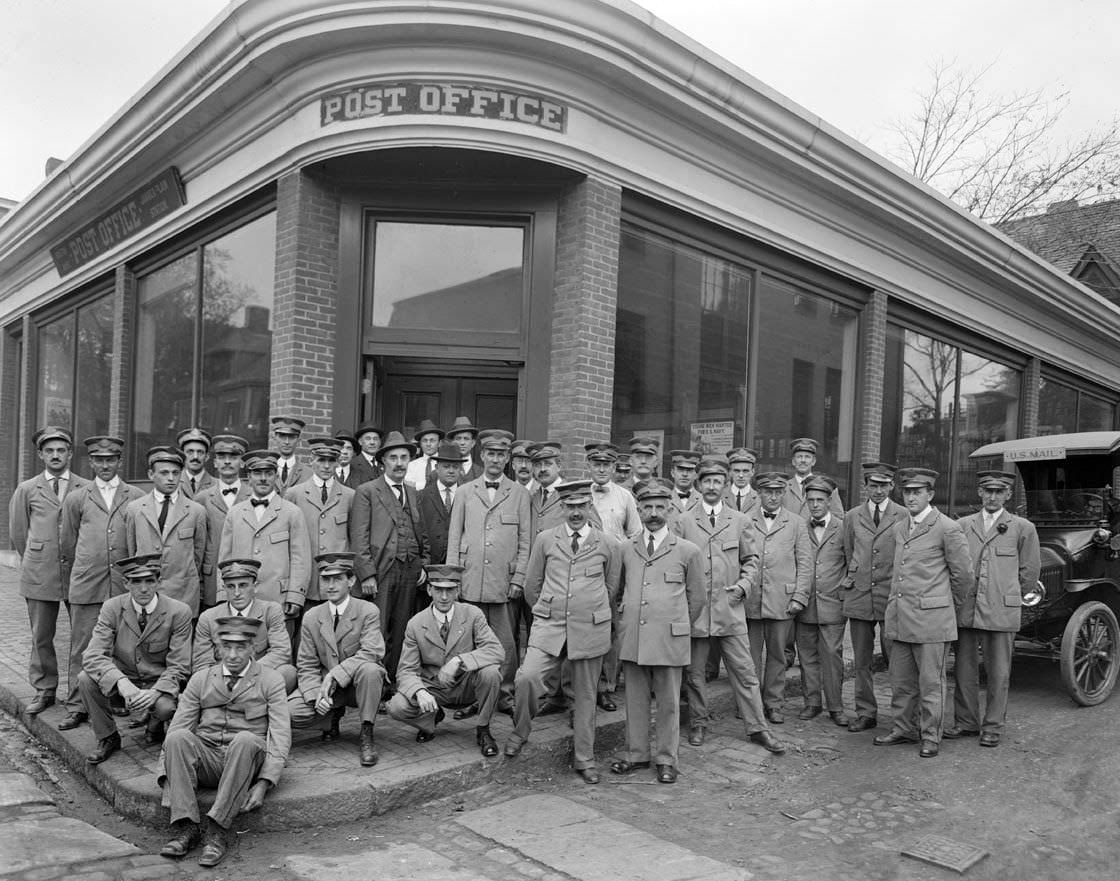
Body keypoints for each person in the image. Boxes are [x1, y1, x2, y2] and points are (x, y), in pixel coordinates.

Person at [505, 480, 623, 782]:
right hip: (550, 625)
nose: (575, 512)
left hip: (589, 629)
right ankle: (520, 731)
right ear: (562, 508)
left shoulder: (607, 544)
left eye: (581, 506)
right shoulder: (546, 539)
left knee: (585, 696)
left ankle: (585, 759)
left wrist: (588, 610)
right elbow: (532, 585)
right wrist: (551, 609)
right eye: (570, 507)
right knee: (528, 678)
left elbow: (611, 587)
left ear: (589, 507)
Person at [158, 615, 291, 867]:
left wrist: (264, 782)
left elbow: (281, 735)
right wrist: (167, 777)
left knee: (245, 739)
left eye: (240, 647)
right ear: (217, 648)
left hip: (245, 761)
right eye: (226, 647)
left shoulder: (271, 680)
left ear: (253, 648)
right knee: (177, 737)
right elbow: (179, 725)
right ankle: (187, 828)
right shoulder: (201, 678)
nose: (232, 655)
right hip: (208, 758)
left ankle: (218, 831)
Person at [672, 457, 785, 754]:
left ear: (725, 486)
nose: (712, 487)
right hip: (696, 613)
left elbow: (752, 561)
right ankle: (698, 722)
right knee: (695, 674)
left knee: (746, 672)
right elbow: (676, 566)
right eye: (707, 481)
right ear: (699, 485)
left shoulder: (740, 521)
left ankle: (758, 728)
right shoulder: (683, 522)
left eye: (717, 482)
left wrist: (745, 585)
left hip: (730, 610)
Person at [873, 468, 973, 759]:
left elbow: (964, 575)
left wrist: (944, 605)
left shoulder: (947, 527)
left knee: (931, 683)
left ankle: (931, 735)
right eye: (907, 492)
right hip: (901, 617)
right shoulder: (901, 526)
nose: (911, 497)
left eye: (918, 492)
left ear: (930, 494)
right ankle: (903, 728)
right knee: (901, 681)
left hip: (932, 620)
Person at [611, 479, 704, 785]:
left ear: (670, 509)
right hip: (634, 638)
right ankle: (636, 754)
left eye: (659, 507)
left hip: (669, 638)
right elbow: (617, 591)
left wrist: (676, 625)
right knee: (635, 700)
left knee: (668, 703)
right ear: (638, 509)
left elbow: (697, 598)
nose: (653, 513)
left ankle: (667, 759)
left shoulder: (688, 551)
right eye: (647, 507)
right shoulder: (626, 548)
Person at [947, 470, 1040, 747]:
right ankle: (966, 721)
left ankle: (993, 726)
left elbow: (1030, 573)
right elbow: (955, 565)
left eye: (999, 492)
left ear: (1008, 495)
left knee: (999, 672)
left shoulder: (1023, 528)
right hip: (967, 609)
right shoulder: (963, 525)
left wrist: (1008, 595)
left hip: (1001, 610)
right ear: (979, 493)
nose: (992, 497)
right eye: (988, 491)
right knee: (964, 669)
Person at [58, 436, 146, 730]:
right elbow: (68, 544)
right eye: (99, 459)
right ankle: (76, 704)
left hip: (122, 585)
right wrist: (83, 572)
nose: (105, 465)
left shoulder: (134, 496)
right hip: (87, 584)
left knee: (123, 645)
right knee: (82, 646)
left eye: (111, 459)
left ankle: (116, 699)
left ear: (120, 461)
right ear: (91, 462)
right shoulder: (78, 497)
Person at [77, 554, 193, 763]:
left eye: (149, 581)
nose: (144, 588)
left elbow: (180, 664)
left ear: (159, 582)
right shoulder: (112, 607)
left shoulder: (179, 611)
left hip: (158, 683)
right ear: (126, 584)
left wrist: (156, 691)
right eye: (136, 582)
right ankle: (108, 737)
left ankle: (156, 722)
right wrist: (121, 682)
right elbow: (92, 654)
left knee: (166, 707)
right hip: (123, 682)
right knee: (85, 679)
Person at [446, 430, 530, 713]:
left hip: (504, 582)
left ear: (508, 459)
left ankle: (504, 695)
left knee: (505, 641)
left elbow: (526, 541)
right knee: (467, 639)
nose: (495, 459)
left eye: (501, 454)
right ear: (482, 456)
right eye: (490, 453)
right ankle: (471, 694)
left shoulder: (519, 494)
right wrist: (453, 577)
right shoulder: (465, 491)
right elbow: (454, 538)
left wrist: (519, 578)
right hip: (470, 578)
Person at [10, 426, 91, 716]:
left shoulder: (86, 487)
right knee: (41, 634)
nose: (55, 456)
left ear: (70, 453)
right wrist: (37, 556)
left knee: (83, 636)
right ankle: (45, 689)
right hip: (39, 572)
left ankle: (80, 696)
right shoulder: (27, 488)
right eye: (50, 451)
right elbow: (19, 533)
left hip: (79, 573)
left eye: (61, 450)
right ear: (41, 454)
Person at [388, 564, 505, 755]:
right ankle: (430, 719)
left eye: (449, 590)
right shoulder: (416, 624)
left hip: (466, 684)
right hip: (435, 688)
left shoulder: (472, 614)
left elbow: (496, 650)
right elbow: (406, 670)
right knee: (397, 706)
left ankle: (483, 729)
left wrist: (459, 660)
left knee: (491, 672)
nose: (444, 597)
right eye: (438, 590)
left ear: (457, 590)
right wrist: (419, 691)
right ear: (429, 590)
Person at [290, 552, 386, 767]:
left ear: (351, 581)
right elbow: (306, 664)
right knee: (292, 714)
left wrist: (336, 674)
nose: (330, 586)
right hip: (327, 688)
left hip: (357, 685)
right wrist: (316, 697)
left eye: (337, 579)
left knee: (371, 670)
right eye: (325, 579)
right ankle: (330, 717)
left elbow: (372, 651)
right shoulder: (312, 616)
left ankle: (367, 731)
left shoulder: (367, 610)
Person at [349, 431, 431, 681]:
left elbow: (421, 533)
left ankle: (396, 680)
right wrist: (367, 574)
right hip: (381, 571)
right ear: (383, 461)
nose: (399, 463)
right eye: (393, 457)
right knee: (378, 629)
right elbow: (359, 536)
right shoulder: (368, 491)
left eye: (404, 457)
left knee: (403, 628)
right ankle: (376, 685)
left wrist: (424, 566)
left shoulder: (412, 491)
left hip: (409, 571)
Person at [218, 449, 312, 649]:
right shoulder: (235, 513)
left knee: (280, 654)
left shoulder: (291, 512)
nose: (263, 478)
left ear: (276, 476)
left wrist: (295, 595)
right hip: (241, 599)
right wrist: (221, 595)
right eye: (257, 473)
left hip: (279, 599)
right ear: (248, 477)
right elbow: (224, 559)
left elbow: (300, 558)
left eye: (268, 473)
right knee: (242, 650)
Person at [840, 462, 907, 732]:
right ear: (865, 486)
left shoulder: (903, 514)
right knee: (862, 661)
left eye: (883, 485)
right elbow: (848, 551)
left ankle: (899, 717)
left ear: (892, 486)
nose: (878, 491)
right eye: (873, 485)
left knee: (897, 659)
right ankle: (865, 712)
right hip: (859, 594)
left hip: (891, 594)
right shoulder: (852, 516)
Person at [744, 472, 811, 724]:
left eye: (778, 492)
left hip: (782, 602)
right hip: (751, 600)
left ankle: (773, 704)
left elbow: (805, 563)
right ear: (759, 493)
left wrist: (799, 597)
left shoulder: (796, 523)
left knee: (778, 656)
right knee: (748, 657)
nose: (773, 496)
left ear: (784, 493)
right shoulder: (745, 519)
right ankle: (749, 704)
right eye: (767, 491)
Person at [584, 441, 640, 710]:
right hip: (586, 570)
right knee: (585, 626)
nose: (602, 469)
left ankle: (605, 686)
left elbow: (636, 534)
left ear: (615, 467)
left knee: (611, 629)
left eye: (607, 464)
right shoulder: (580, 493)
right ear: (589, 465)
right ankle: (581, 686)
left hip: (615, 571)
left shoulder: (625, 496)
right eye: (597, 464)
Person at [125, 446, 207, 617]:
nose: (171, 478)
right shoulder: (135, 509)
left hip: (183, 594)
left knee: (181, 641)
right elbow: (132, 550)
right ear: (150, 475)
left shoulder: (195, 511)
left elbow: (198, 554)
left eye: (175, 473)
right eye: (164, 473)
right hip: (146, 592)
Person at [192, 558, 297, 693]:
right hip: (223, 684)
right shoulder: (209, 617)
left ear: (256, 586)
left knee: (287, 672)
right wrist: (226, 679)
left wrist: (246, 675)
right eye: (231, 586)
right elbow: (202, 663)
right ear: (224, 588)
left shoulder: (271, 611)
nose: (236, 593)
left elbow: (281, 651)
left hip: (259, 680)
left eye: (243, 585)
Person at [795, 475, 849, 725]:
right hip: (804, 604)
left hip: (832, 605)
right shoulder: (798, 527)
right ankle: (812, 702)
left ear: (829, 501)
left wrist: (843, 591)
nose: (815, 504)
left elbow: (852, 562)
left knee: (832, 656)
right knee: (806, 656)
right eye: (811, 500)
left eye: (820, 500)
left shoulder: (843, 526)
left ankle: (836, 707)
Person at [284, 436, 355, 611]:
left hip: (337, 581)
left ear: (337, 463)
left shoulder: (349, 496)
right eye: (321, 460)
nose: (326, 466)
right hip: (306, 582)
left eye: (331, 460)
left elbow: (353, 539)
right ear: (311, 460)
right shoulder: (294, 494)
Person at [194, 435, 251, 610]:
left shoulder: (253, 496)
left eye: (233, 457)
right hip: (213, 580)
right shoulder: (202, 498)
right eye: (222, 457)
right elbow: (198, 545)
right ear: (215, 462)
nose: (227, 462)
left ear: (242, 463)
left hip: (246, 576)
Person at [417, 441, 465, 567]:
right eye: (446, 466)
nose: (451, 471)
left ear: (460, 469)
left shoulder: (468, 496)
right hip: (429, 566)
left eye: (455, 467)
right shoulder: (421, 497)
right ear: (437, 468)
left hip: (458, 566)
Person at [782, 438, 843, 518]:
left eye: (807, 457)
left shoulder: (828, 487)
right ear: (793, 461)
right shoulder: (783, 488)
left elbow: (838, 517)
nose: (803, 460)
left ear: (813, 461)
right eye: (799, 457)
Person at [271, 416, 309, 492]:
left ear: (299, 439)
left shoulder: (308, 474)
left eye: (292, 437)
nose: (287, 442)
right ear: (274, 437)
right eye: (282, 436)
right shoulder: (264, 471)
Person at [404, 418, 444, 490]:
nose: (428, 444)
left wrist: (416, 485)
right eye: (425, 441)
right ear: (420, 444)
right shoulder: (411, 465)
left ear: (439, 443)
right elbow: (408, 487)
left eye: (432, 440)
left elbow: (443, 486)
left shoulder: (445, 463)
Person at [176, 428, 214, 500]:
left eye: (200, 452)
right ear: (182, 455)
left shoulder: (217, 485)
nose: (195, 457)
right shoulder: (173, 483)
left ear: (207, 457)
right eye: (190, 452)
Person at [446, 416, 484, 484]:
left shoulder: (482, 473)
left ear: (473, 443)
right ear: (452, 443)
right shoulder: (442, 471)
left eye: (466, 439)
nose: (462, 443)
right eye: (458, 438)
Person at [723, 447, 761, 515]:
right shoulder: (720, 497)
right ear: (730, 472)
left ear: (752, 472)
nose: (741, 475)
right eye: (736, 471)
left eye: (745, 471)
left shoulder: (760, 498)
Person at [667, 449, 701, 515]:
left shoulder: (703, 501)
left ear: (696, 475)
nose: (685, 474)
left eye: (690, 470)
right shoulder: (664, 499)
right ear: (672, 473)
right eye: (680, 470)